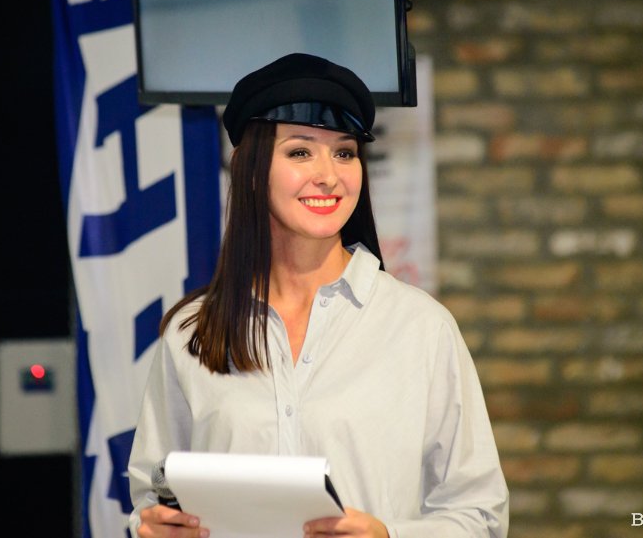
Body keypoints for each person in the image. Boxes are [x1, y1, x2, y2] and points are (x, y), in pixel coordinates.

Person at [127, 53, 509, 538]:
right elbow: (153, 496)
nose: (329, 175)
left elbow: (480, 516)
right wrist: (154, 527)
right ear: (249, 168)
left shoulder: (420, 328)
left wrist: (388, 535)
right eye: (300, 152)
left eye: (345, 153)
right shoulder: (191, 333)